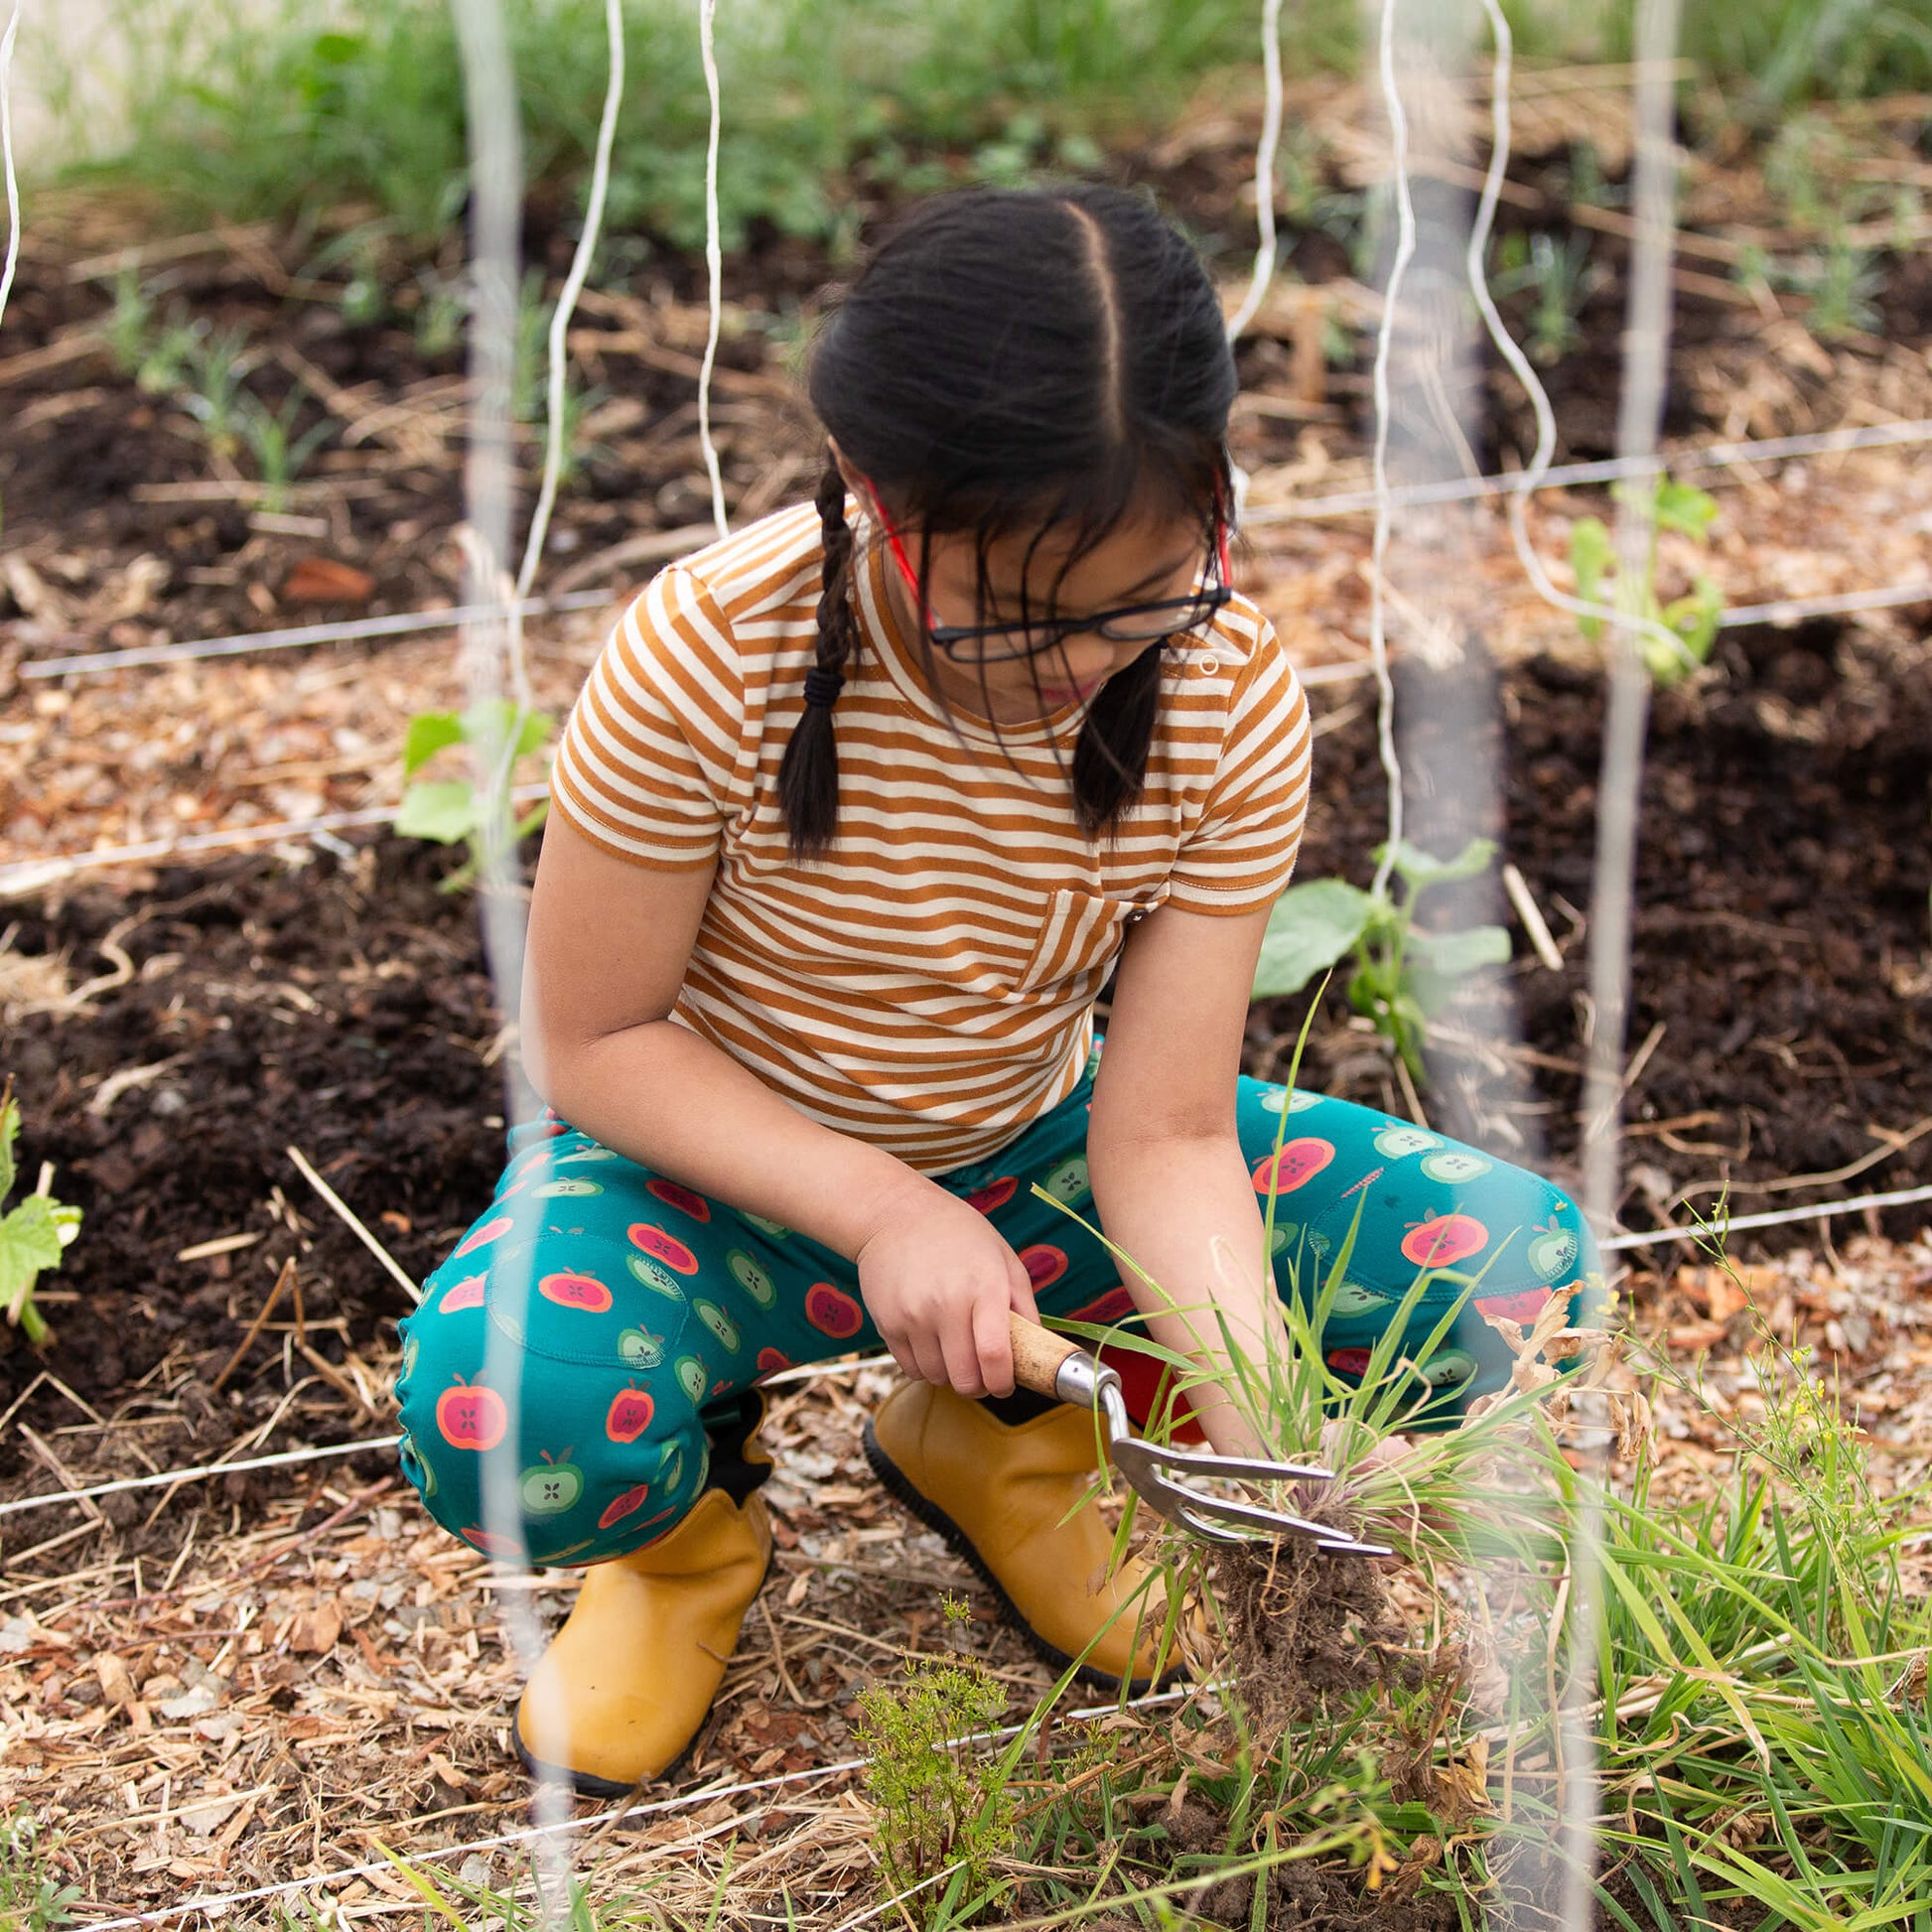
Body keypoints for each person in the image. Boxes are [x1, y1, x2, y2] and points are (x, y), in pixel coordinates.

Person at [393, 184, 1599, 1795]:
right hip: (703, 1177)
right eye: (1019, 611)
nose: (1078, 663)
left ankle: (996, 1435)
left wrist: (1265, 1430)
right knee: (503, 1407)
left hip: (1037, 1160)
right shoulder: (703, 655)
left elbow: (1163, 1132)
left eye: (1140, 598)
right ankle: (686, 1548)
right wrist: (883, 1209)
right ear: (870, 490)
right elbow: (595, 1041)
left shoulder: (1224, 695)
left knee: (1532, 1269)